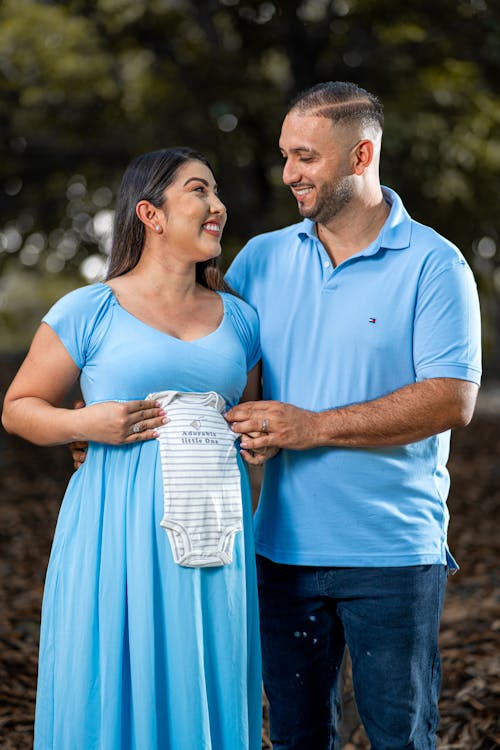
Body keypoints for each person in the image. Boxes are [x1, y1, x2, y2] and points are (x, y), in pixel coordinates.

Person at [224, 82, 482, 750]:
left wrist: (310, 426)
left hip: (392, 556)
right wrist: (116, 425)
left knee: (402, 739)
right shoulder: (260, 260)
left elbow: (451, 398)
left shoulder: (435, 263)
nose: (288, 174)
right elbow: (228, 386)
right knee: (296, 738)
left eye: (305, 157)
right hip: (281, 552)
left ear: (361, 153)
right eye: (285, 156)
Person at [1, 147, 271, 750]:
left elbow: (249, 419)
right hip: (113, 532)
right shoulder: (88, 310)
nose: (218, 206)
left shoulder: (242, 319)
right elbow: (18, 409)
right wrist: (87, 424)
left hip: (215, 535)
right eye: (199, 191)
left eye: (217, 192)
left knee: (206, 674)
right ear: (149, 214)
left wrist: (257, 440)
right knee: (114, 679)